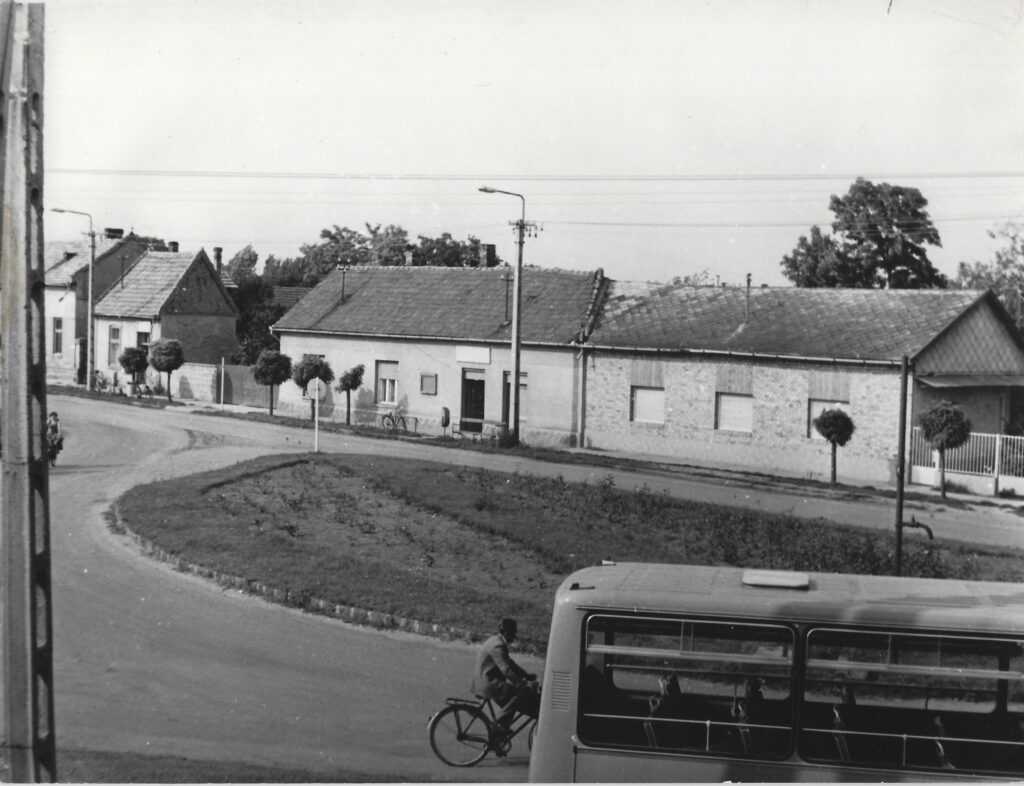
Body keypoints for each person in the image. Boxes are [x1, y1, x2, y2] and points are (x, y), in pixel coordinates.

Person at [472, 618, 539, 732]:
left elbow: (510, 663)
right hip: (488, 683)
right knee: (518, 696)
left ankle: (502, 726)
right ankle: (498, 727)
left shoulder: (495, 640)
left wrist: (526, 675)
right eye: (513, 634)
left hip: (486, 680)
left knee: (512, 695)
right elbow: (506, 670)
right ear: (507, 633)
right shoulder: (498, 645)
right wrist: (520, 683)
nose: (513, 637)